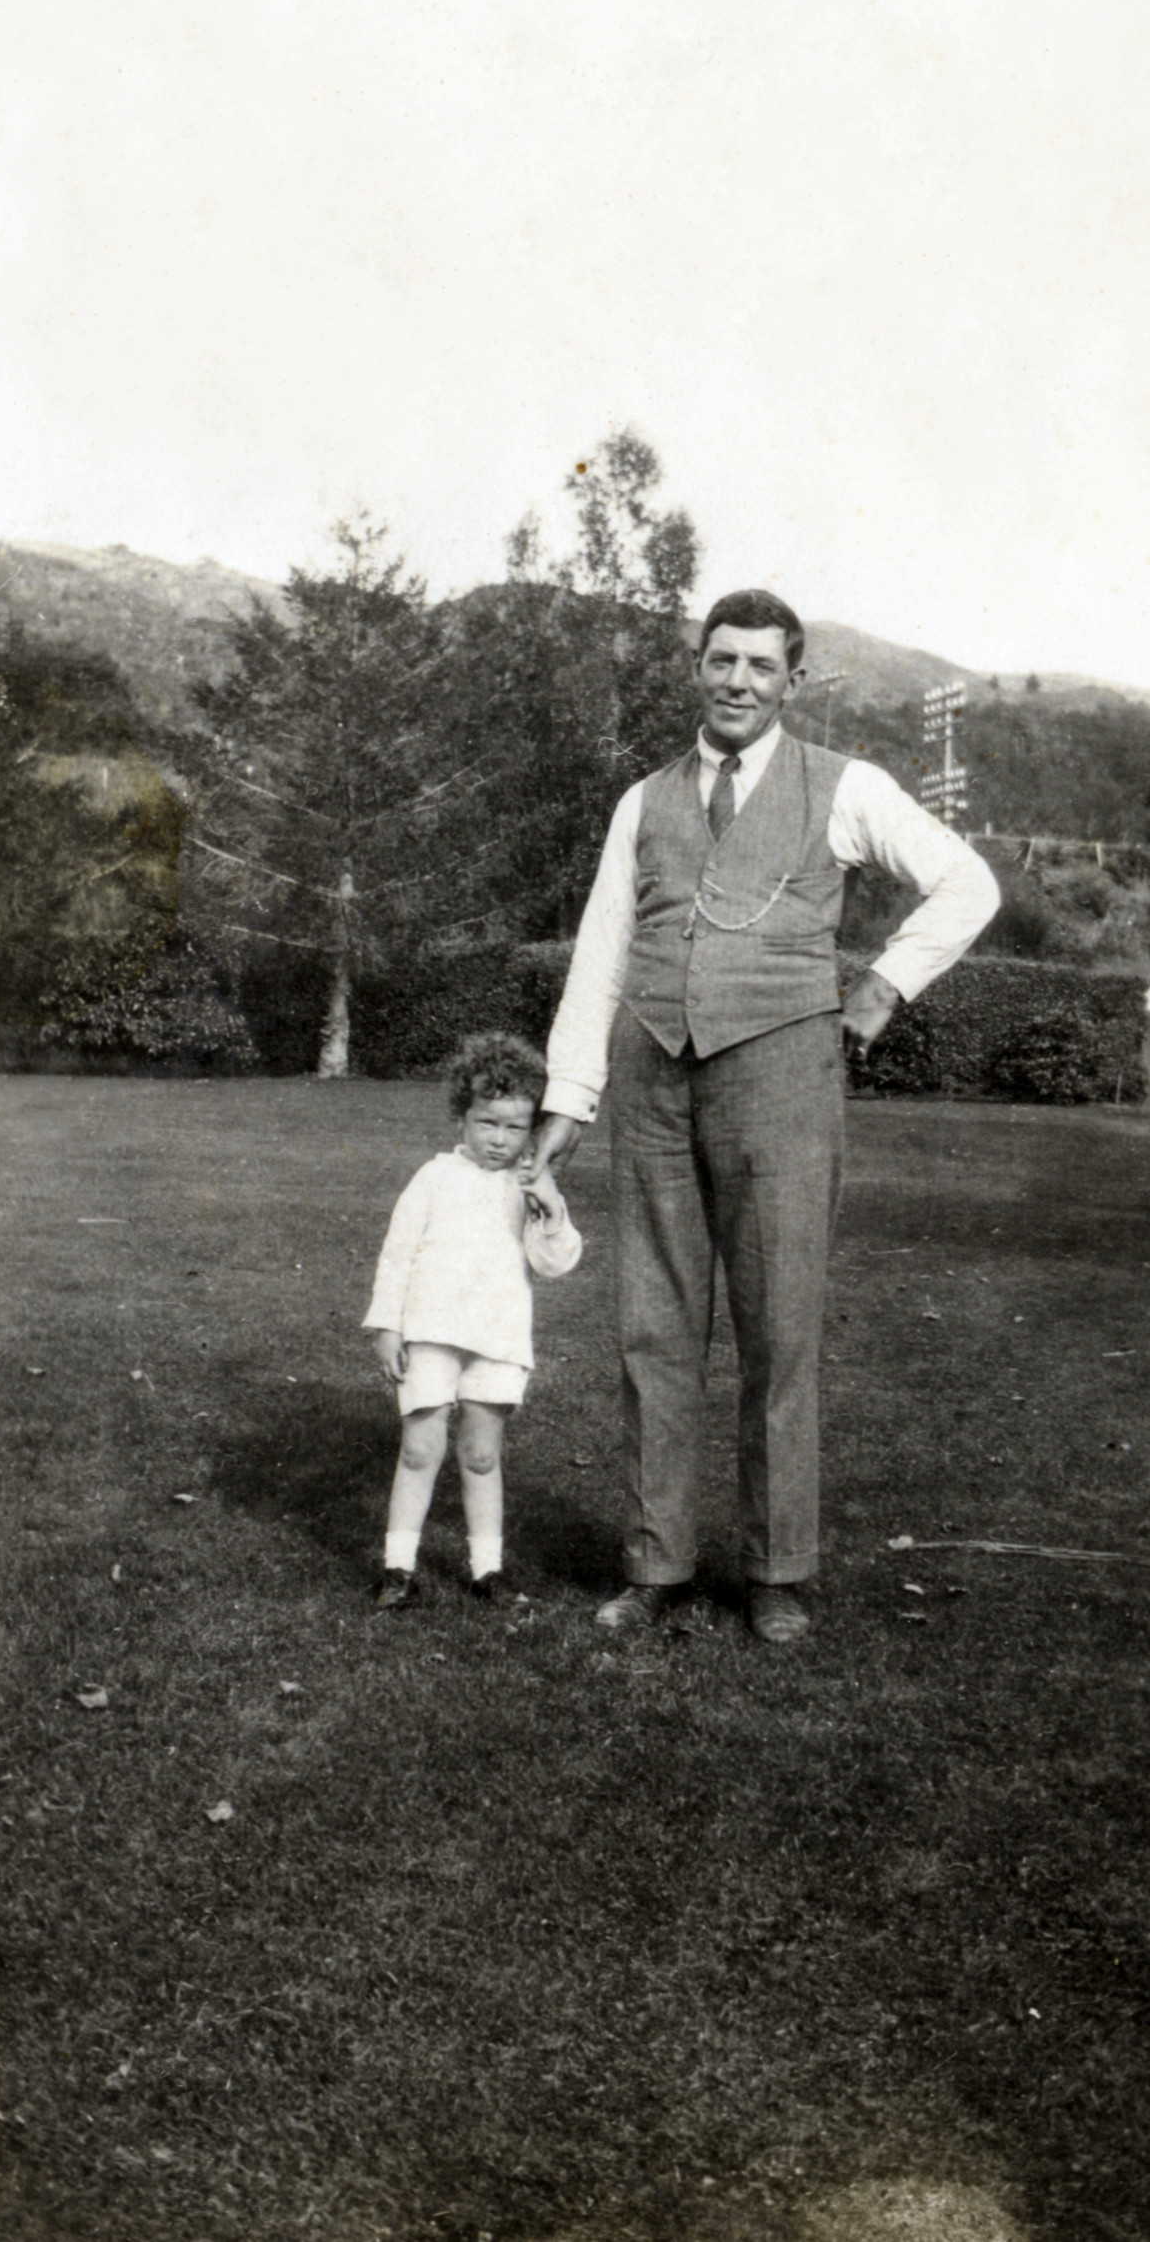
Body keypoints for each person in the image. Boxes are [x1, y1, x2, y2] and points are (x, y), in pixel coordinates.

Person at [526, 590, 999, 1644]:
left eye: (759, 666)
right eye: (721, 660)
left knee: (779, 1332)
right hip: (651, 1075)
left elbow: (966, 884)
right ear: (697, 665)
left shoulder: (844, 785)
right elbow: (601, 951)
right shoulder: (642, 800)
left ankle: (776, 1571)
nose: (737, 681)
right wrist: (568, 1098)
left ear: (792, 680)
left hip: (783, 1080)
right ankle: (654, 1564)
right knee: (652, 1331)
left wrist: (883, 984)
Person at [364, 1031, 582, 1609]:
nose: (499, 1139)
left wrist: (551, 1209)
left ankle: (488, 1570)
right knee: (420, 1449)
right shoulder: (434, 1177)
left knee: (482, 1456)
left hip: (498, 1337)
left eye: (515, 1127)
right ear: (462, 1116)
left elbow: (555, 1262)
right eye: (487, 1123)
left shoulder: (530, 1186)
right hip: (430, 1331)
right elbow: (397, 1253)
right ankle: (398, 1569)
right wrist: (388, 1325)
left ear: (533, 1129)